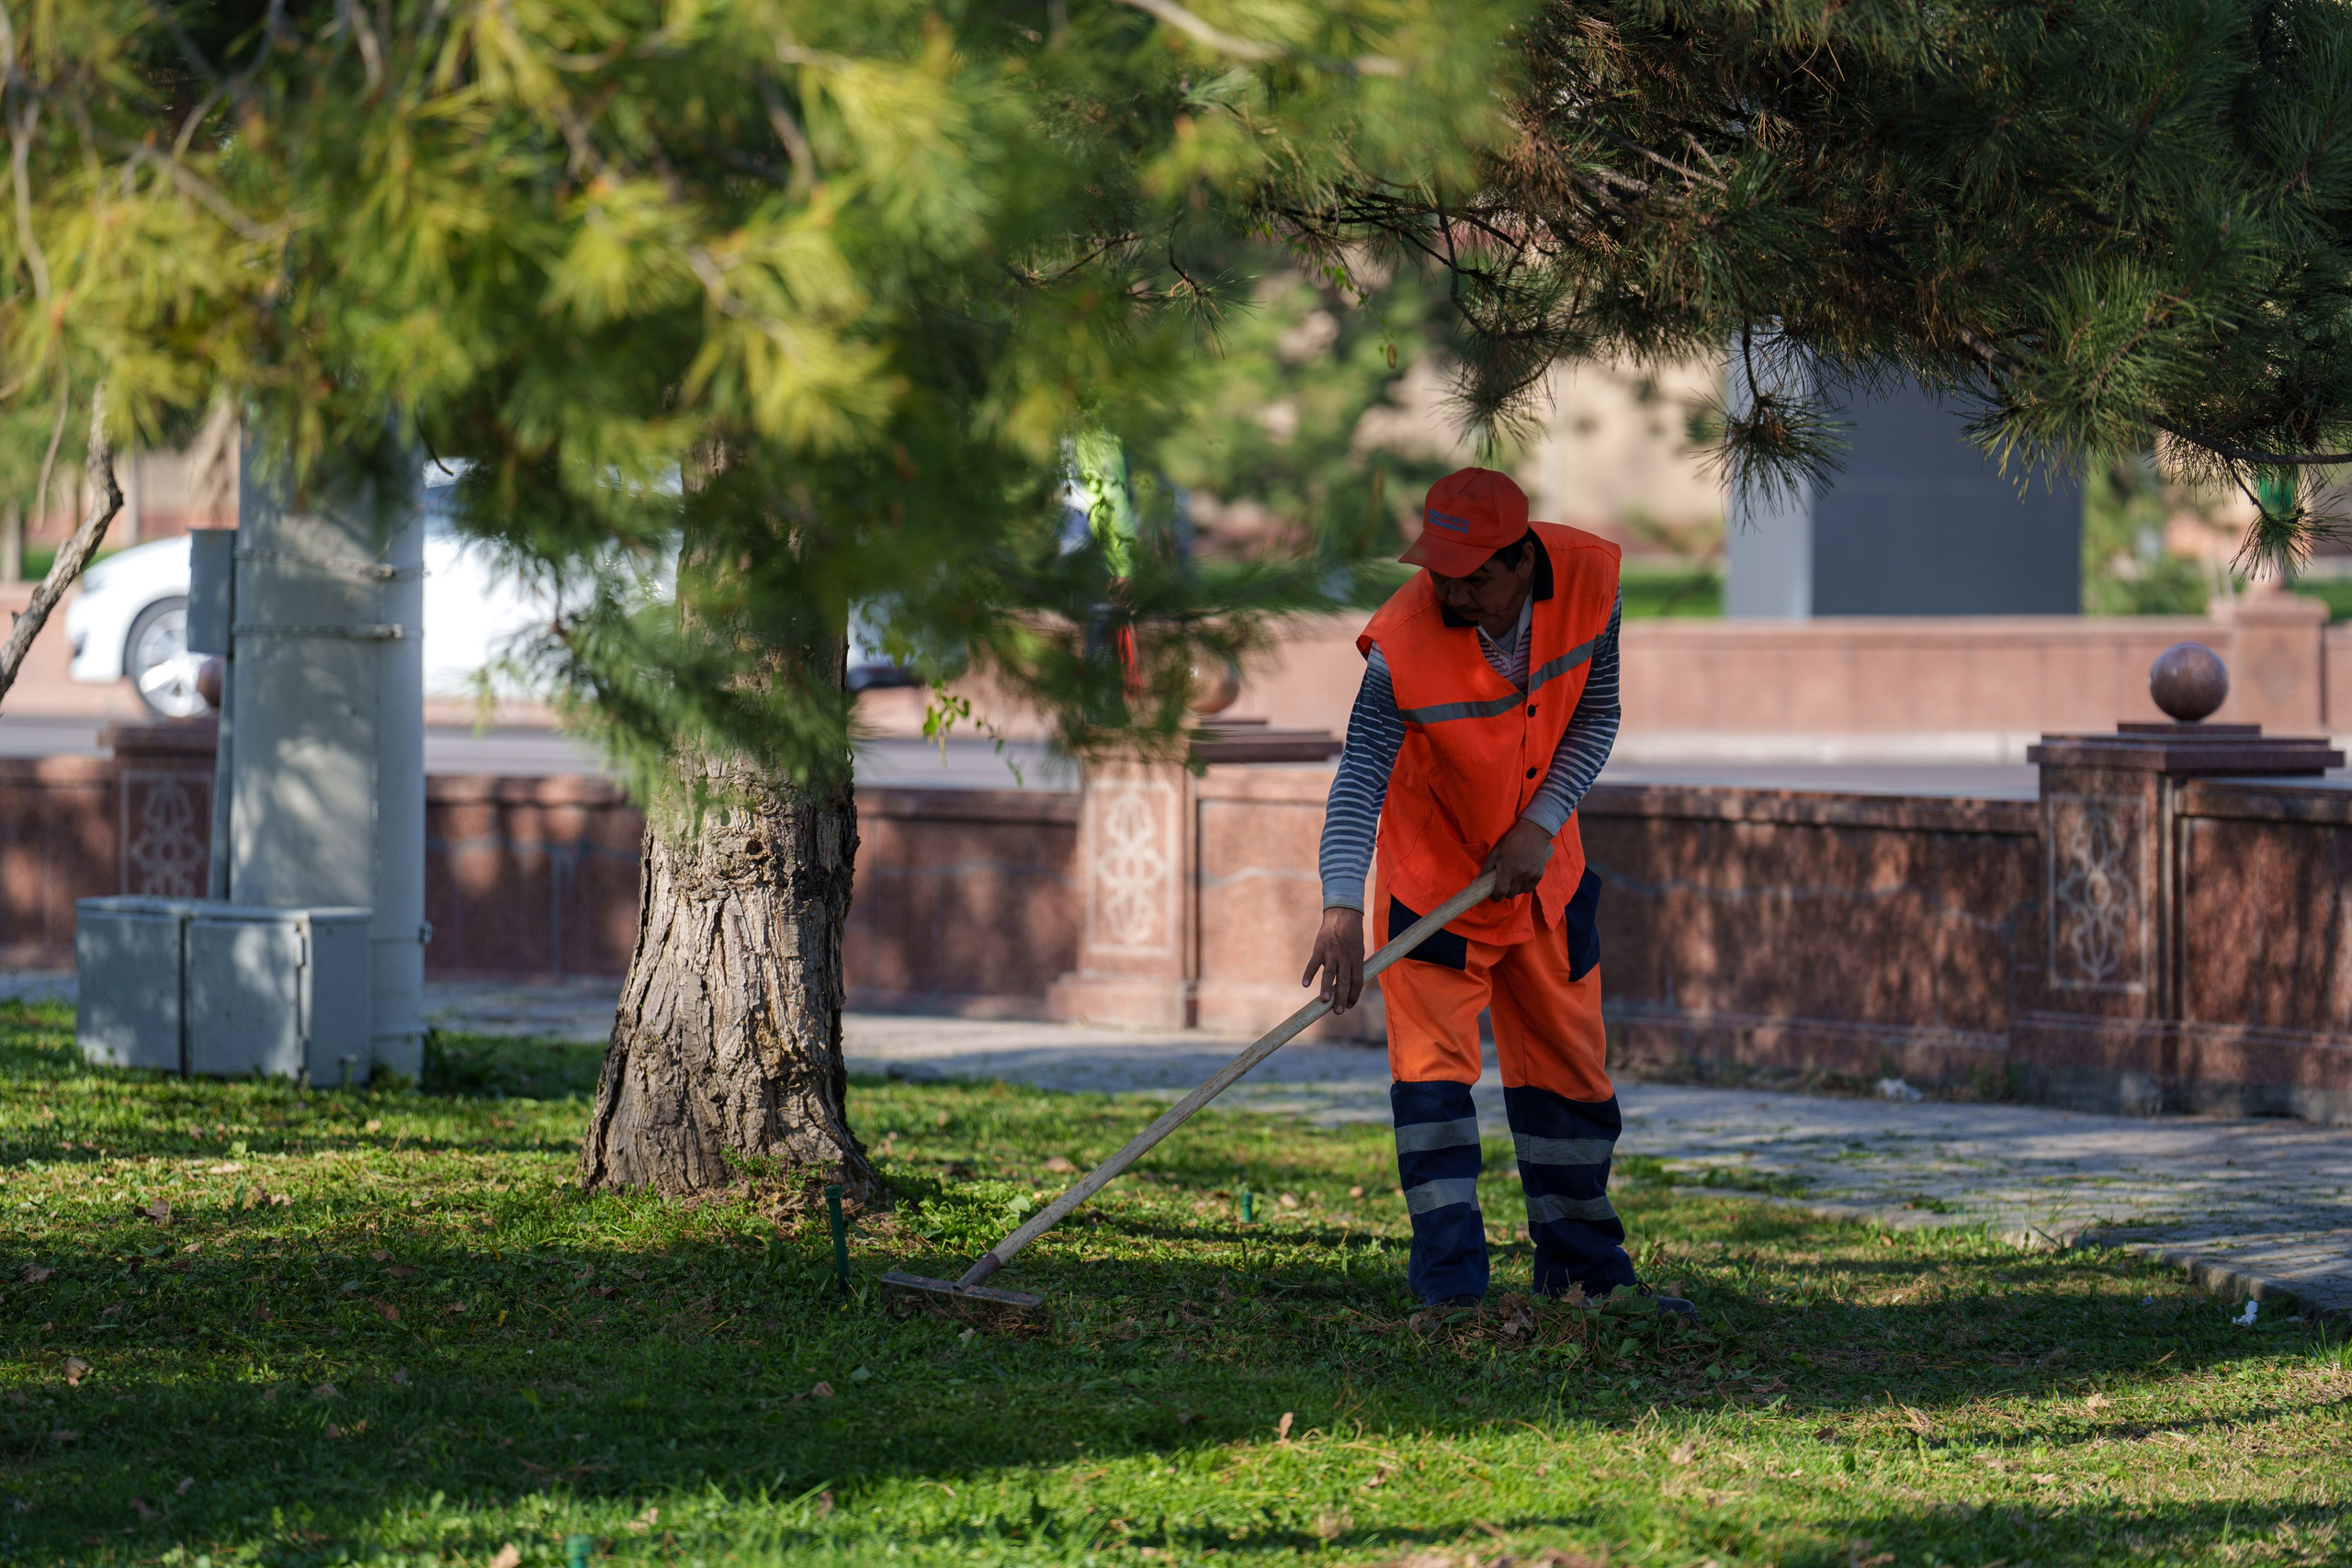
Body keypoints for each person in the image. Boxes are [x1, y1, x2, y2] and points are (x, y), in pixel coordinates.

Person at [1302, 467, 1691, 1315]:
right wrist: (1340, 905)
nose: (1455, 591)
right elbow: (1362, 769)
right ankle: (1450, 1296)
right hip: (1433, 886)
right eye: (1442, 571)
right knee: (1433, 1091)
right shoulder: (1404, 638)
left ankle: (1584, 1272)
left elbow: (1598, 711)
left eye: (1476, 574)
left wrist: (1543, 820)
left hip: (1543, 878)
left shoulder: (1591, 586)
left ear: (1523, 561)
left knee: (1570, 1080)